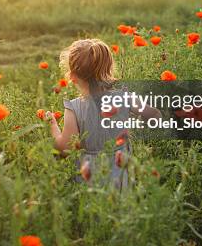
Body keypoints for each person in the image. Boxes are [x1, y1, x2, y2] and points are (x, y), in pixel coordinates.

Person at [44, 39, 161, 189]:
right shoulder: (125, 97)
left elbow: (65, 149)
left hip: (90, 183)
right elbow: (155, 115)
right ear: (109, 69)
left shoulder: (73, 108)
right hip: (121, 178)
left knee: (94, 210)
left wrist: (52, 124)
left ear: (72, 76)